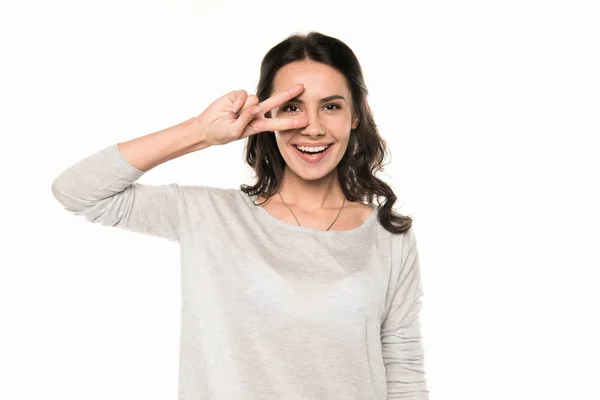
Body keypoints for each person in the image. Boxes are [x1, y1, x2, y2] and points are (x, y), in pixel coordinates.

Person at [51, 31, 429, 399]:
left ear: (356, 116)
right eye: (292, 107)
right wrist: (201, 132)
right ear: (265, 114)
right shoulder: (211, 217)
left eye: (330, 106)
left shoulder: (388, 236)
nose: (312, 127)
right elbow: (78, 192)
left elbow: (403, 366)